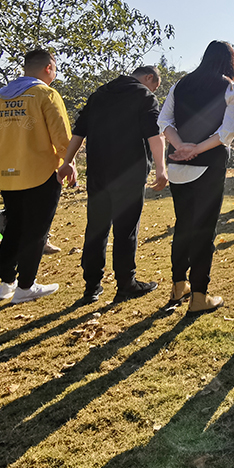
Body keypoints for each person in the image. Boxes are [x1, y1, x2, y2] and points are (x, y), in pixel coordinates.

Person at [59, 66, 168, 304]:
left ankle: (92, 286)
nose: (154, 91)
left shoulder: (100, 94)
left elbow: (79, 132)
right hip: (129, 173)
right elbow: (155, 134)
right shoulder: (143, 96)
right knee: (126, 228)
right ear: (149, 77)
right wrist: (161, 168)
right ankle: (126, 283)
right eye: (155, 86)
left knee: (96, 227)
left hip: (98, 172)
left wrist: (67, 162)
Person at [158, 41, 234, 313]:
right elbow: (227, 133)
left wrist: (181, 146)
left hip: (177, 167)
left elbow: (164, 121)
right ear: (230, 62)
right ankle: (198, 296)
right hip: (208, 166)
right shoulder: (231, 88)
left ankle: (178, 285)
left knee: (183, 226)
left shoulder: (180, 85)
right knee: (204, 229)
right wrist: (195, 149)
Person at [0, 49, 73, 303]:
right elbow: (62, 137)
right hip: (40, 173)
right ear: (48, 68)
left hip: (8, 174)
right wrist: (68, 162)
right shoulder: (45, 94)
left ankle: (6, 284)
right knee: (36, 230)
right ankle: (26, 286)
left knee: (13, 227)